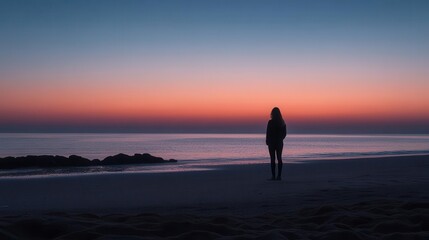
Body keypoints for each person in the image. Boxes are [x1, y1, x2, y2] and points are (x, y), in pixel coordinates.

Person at [266, 107, 287, 180]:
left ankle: (273, 176)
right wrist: (280, 139)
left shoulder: (271, 122)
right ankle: (279, 176)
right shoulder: (282, 122)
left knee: (273, 159)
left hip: (272, 142)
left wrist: (267, 140)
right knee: (279, 158)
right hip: (279, 143)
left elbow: (268, 132)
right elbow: (284, 134)